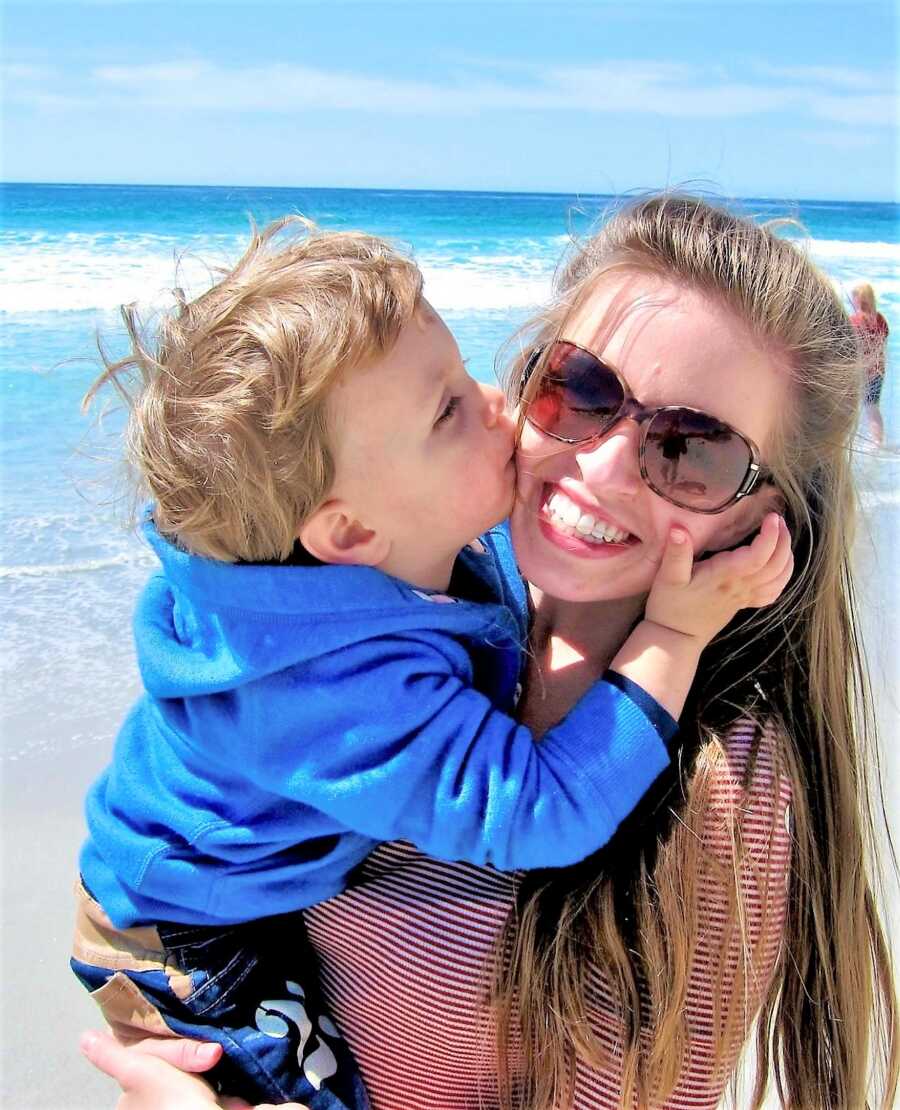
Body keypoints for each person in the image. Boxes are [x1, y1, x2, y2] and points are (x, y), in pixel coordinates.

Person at [81, 195, 898, 1109]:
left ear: (766, 520)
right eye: (582, 389)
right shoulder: (397, 604)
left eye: (691, 448)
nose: (602, 468)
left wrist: (674, 636)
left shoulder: (723, 790)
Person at [849, 280, 890, 447]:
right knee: (872, 406)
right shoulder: (881, 320)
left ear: (858, 300)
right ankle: (877, 441)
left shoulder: (855, 321)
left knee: (854, 406)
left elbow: (852, 347)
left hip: (862, 371)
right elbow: (883, 346)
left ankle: (868, 442)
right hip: (879, 370)